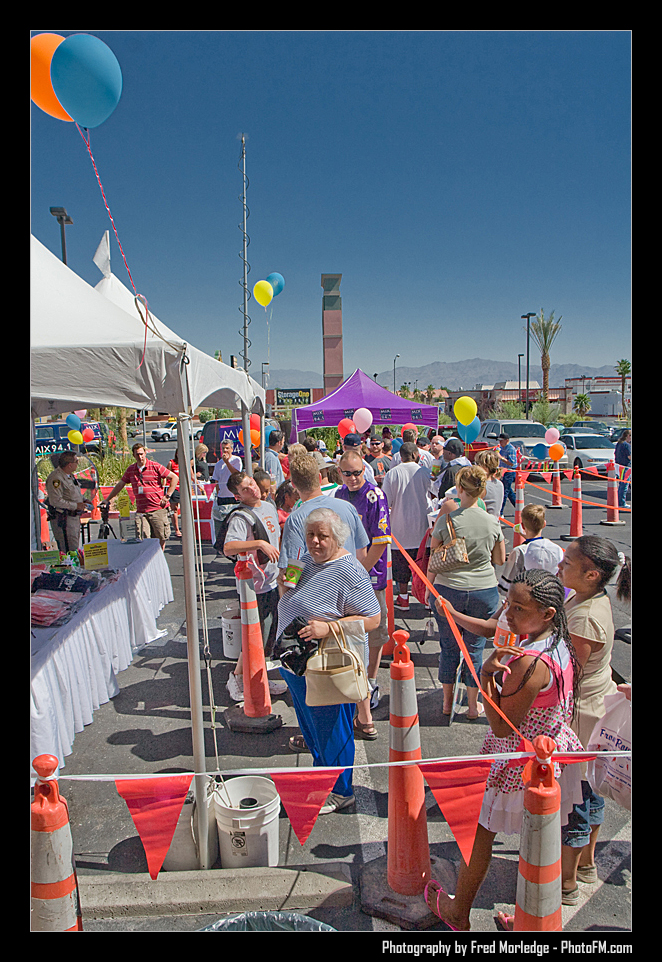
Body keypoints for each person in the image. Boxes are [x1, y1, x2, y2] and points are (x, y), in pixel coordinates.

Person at [426, 569, 585, 930]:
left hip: (518, 760)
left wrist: (485, 676)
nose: (508, 615)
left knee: (480, 833)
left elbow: (501, 726)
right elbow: (492, 628)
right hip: (550, 753)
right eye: (508, 604)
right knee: (540, 838)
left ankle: (458, 911)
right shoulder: (557, 641)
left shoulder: (529, 661)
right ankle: (533, 917)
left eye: (517, 608)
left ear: (546, 613)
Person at [276, 507, 382, 813]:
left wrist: (329, 627)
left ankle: (340, 790)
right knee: (312, 727)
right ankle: (322, 776)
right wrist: (285, 583)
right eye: (311, 534)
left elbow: (373, 619)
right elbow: (289, 593)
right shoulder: (304, 560)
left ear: (337, 538)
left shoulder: (349, 570)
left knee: (332, 728)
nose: (315, 542)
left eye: (323, 536)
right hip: (297, 661)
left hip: (328, 665)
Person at [557, 536, 632, 905]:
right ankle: (585, 863)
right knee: (590, 790)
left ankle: (567, 882)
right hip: (593, 709)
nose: (560, 565)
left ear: (591, 573)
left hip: (581, 718)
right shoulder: (589, 599)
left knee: (576, 800)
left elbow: (569, 673)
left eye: (567, 562)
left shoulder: (585, 618)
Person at [427, 465, 506, 719]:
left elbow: (433, 556)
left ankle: (447, 703)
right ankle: (473, 706)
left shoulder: (447, 520)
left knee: (449, 647)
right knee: (475, 648)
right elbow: (500, 559)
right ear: (482, 491)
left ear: (460, 489)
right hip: (484, 589)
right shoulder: (492, 521)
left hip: (448, 589)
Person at [335, 449, 393, 735]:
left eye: (358, 472)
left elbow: (381, 541)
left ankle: (370, 681)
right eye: (348, 473)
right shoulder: (338, 496)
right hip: (344, 579)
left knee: (375, 633)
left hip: (370, 579)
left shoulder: (375, 496)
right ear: (339, 474)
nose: (354, 478)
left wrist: (360, 572)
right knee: (349, 634)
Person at [222, 470, 287, 700]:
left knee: (268, 633)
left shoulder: (268, 506)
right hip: (254, 586)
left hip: (272, 580)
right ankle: (237, 677)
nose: (253, 489)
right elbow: (228, 548)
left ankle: (260, 676)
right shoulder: (241, 517)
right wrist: (258, 543)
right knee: (255, 633)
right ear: (238, 496)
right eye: (245, 489)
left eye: (251, 484)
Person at [278, 454, 370, 590]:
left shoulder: (295, 518)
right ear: (319, 478)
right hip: (351, 590)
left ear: (293, 484)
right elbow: (361, 553)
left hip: (318, 598)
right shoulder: (348, 507)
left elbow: (292, 572)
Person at [381, 441, 432, 611]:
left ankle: (403, 598)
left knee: (401, 569)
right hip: (422, 527)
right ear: (416, 455)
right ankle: (425, 597)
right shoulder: (425, 472)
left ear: (400, 457)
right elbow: (434, 493)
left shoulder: (392, 474)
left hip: (399, 527)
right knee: (422, 566)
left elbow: (387, 501)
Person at [101, 443, 178, 550]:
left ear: (145, 453)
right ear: (133, 455)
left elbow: (174, 477)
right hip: (142, 511)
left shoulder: (155, 466)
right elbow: (120, 485)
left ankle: (159, 561)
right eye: (137, 454)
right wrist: (107, 499)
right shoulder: (131, 470)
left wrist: (167, 495)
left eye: (141, 454)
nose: (140, 457)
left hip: (157, 509)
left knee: (161, 537)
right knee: (144, 538)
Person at [498, 503, 565, 593]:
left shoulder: (519, 551)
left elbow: (505, 587)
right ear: (544, 524)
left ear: (522, 526)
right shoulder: (556, 549)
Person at [45, 451, 92, 552]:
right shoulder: (56, 478)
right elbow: (55, 501)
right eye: (76, 461)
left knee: (74, 548)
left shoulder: (69, 476)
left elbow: (72, 493)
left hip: (73, 518)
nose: (78, 463)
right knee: (68, 550)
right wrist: (76, 505)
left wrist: (83, 500)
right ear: (70, 465)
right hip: (63, 519)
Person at [211, 439, 243, 530]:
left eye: (227, 448)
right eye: (223, 448)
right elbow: (216, 481)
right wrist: (219, 493)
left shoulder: (237, 460)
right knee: (223, 524)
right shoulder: (218, 464)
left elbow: (236, 474)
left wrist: (227, 462)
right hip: (222, 497)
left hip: (234, 496)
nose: (225, 450)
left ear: (232, 449)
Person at [474, 449, 504, 520]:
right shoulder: (499, 483)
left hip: (484, 523)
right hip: (495, 523)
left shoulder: (481, 485)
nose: (475, 466)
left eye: (477, 464)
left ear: (485, 467)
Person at [497, 434, 518, 516]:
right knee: (509, 492)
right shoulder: (501, 448)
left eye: (502, 440)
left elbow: (512, 463)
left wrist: (501, 457)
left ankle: (500, 512)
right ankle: (519, 508)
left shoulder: (511, 449)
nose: (500, 442)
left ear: (507, 440)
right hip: (502, 471)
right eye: (499, 440)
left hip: (509, 472)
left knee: (504, 492)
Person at [614, 429, 631, 508]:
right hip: (626, 467)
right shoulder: (627, 445)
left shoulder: (619, 443)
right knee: (624, 486)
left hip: (619, 466)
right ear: (628, 436)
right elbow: (630, 457)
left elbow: (615, 454)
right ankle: (621, 503)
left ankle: (619, 501)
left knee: (621, 485)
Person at [167, 451, 182, 537]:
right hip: (174, 488)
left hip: (182, 488)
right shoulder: (171, 463)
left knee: (185, 510)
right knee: (174, 509)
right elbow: (166, 474)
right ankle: (176, 529)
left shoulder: (185, 463)